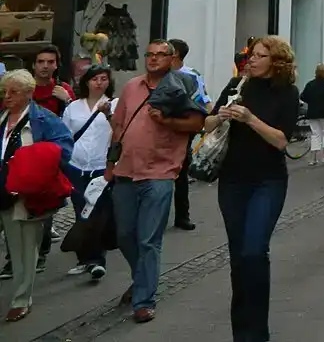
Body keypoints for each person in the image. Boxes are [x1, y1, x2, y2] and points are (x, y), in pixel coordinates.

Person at [205, 35, 298, 342]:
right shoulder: (236, 86)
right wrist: (220, 116)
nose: (252, 60)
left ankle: (258, 333)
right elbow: (206, 124)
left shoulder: (286, 93)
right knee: (238, 257)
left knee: (254, 251)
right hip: (232, 181)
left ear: (276, 62)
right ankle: (241, 332)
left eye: (259, 56)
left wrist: (249, 118)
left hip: (267, 181)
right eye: (251, 55)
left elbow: (281, 140)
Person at [106, 39, 206, 324]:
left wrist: (167, 122)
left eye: (160, 55)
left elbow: (198, 123)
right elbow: (118, 127)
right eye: (149, 54)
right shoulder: (131, 87)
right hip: (126, 170)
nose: (153, 59)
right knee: (125, 234)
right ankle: (142, 279)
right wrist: (109, 164)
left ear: (172, 58)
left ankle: (144, 300)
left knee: (149, 239)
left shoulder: (181, 86)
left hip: (160, 171)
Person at [0, 69, 73, 322]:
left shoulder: (43, 119)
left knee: (24, 248)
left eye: (13, 92)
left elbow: (64, 147)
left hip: (27, 192)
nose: (7, 97)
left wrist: (37, 164)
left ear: (29, 93)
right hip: (3, 189)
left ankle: (22, 298)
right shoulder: (2, 116)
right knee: (12, 242)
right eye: (5, 92)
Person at [61, 64, 117, 281]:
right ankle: (83, 258)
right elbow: (65, 136)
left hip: (101, 166)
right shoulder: (73, 107)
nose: (99, 82)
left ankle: (96, 260)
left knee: (97, 214)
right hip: (76, 166)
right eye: (95, 79)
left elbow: (119, 131)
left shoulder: (115, 104)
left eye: (104, 78)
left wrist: (109, 114)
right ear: (86, 82)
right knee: (80, 212)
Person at [169, 39, 208, 232]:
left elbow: (202, 98)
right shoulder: (160, 73)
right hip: (161, 129)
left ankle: (182, 215)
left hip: (183, 129)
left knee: (180, 174)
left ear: (175, 53)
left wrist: (203, 121)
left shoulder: (192, 76)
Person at [299, 64, 324, 166]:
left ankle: (313, 158)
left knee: (315, 134)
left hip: (312, 113)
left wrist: (311, 102)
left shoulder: (310, 84)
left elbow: (303, 96)